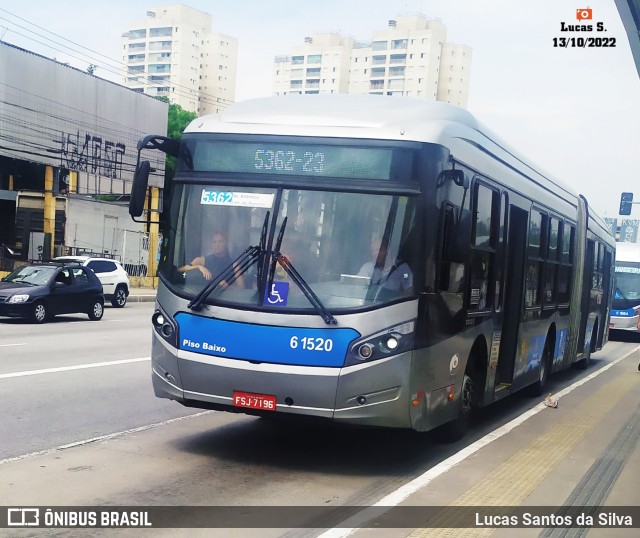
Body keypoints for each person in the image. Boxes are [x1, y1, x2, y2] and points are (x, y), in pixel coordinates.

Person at [179, 232, 244, 288]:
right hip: (202, 298)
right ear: (211, 244)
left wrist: (228, 287)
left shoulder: (234, 265)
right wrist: (198, 267)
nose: (217, 245)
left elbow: (241, 288)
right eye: (214, 242)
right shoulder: (201, 260)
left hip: (225, 300)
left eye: (220, 241)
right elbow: (181, 270)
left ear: (226, 244)